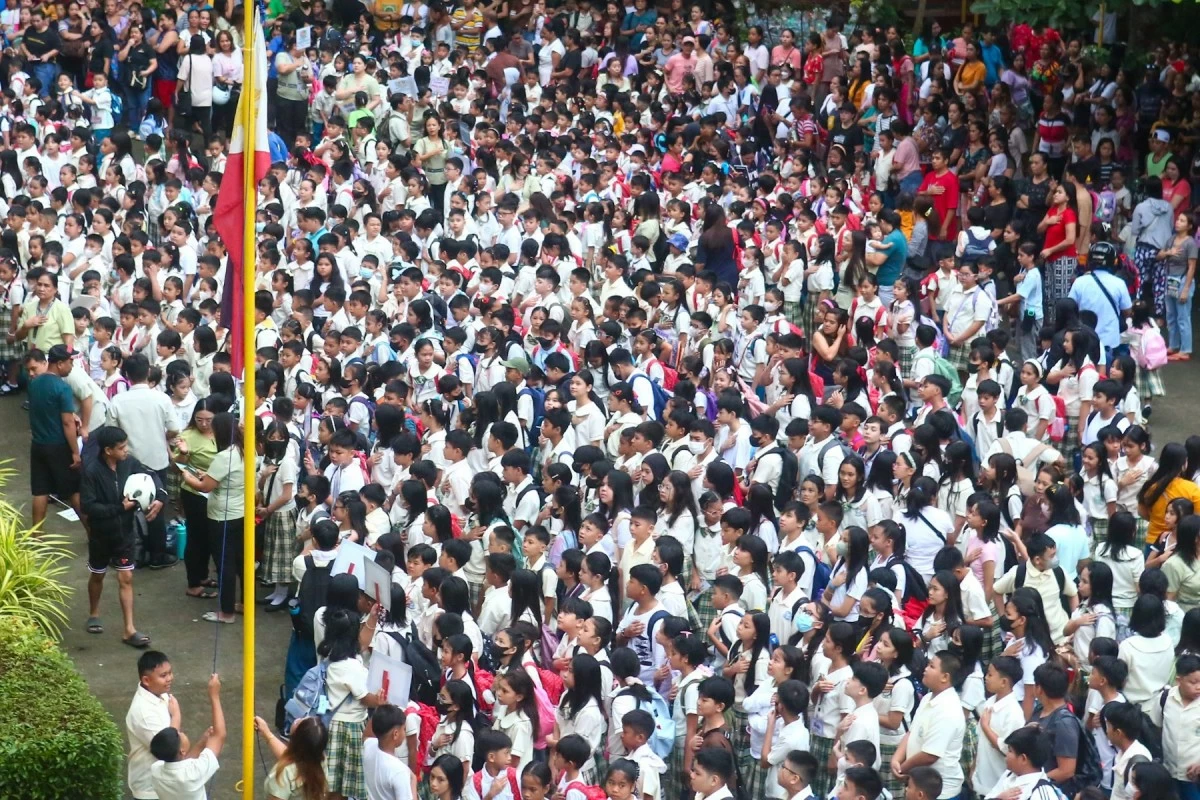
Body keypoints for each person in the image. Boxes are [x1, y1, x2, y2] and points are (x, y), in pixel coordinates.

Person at [80, 424, 165, 647]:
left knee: (126, 577)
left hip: (125, 534)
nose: (126, 450)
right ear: (108, 450)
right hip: (101, 535)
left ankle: (129, 629)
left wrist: (160, 497)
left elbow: (151, 475)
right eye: (121, 447)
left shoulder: (130, 463)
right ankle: (94, 613)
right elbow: (88, 506)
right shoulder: (91, 471)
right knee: (97, 575)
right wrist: (120, 508)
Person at [23, 347, 82, 528]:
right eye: (70, 362)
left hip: (38, 444)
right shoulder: (62, 387)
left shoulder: (34, 384)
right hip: (58, 446)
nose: (72, 366)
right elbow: (67, 423)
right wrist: (75, 452)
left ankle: (36, 536)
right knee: (74, 491)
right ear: (60, 363)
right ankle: (93, 533)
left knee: (40, 491)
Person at [148, 673, 225, 799]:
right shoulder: (194, 773)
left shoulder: (156, 770)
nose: (181, 732)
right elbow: (219, 735)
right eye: (179, 734)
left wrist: (201, 744)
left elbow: (181, 764)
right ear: (182, 751)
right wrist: (214, 695)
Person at [126, 651, 181, 800]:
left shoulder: (158, 692)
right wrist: (176, 716)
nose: (170, 678)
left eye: (170, 673)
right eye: (163, 675)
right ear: (146, 680)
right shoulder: (144, 713)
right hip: (150, 789)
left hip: (162, 782)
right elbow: (169, 749)